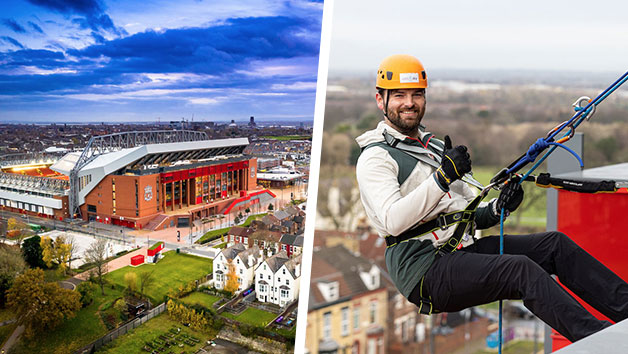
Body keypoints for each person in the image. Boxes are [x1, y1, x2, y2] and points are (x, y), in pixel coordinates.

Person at [355, 54, 628, 342]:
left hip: (459, 251)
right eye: (399, 95)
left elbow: (461, 214)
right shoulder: (376, 158)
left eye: (416, 95)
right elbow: (392, 221)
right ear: (380, 100)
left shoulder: (432, 147)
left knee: (554, 245)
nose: (409, 102)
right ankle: (601, 341)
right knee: (519, 269)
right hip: (424, 271)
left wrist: (499, 207)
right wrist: (442, 178)